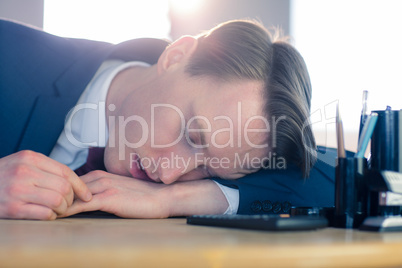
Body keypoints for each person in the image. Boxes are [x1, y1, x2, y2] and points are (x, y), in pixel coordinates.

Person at [0, 18, 331, 220]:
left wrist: (173, 200)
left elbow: (335, 186)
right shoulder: (9, 53)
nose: (170, 174)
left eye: (206, 170)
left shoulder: (170, 186)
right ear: (175, 57)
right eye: (192, 135)